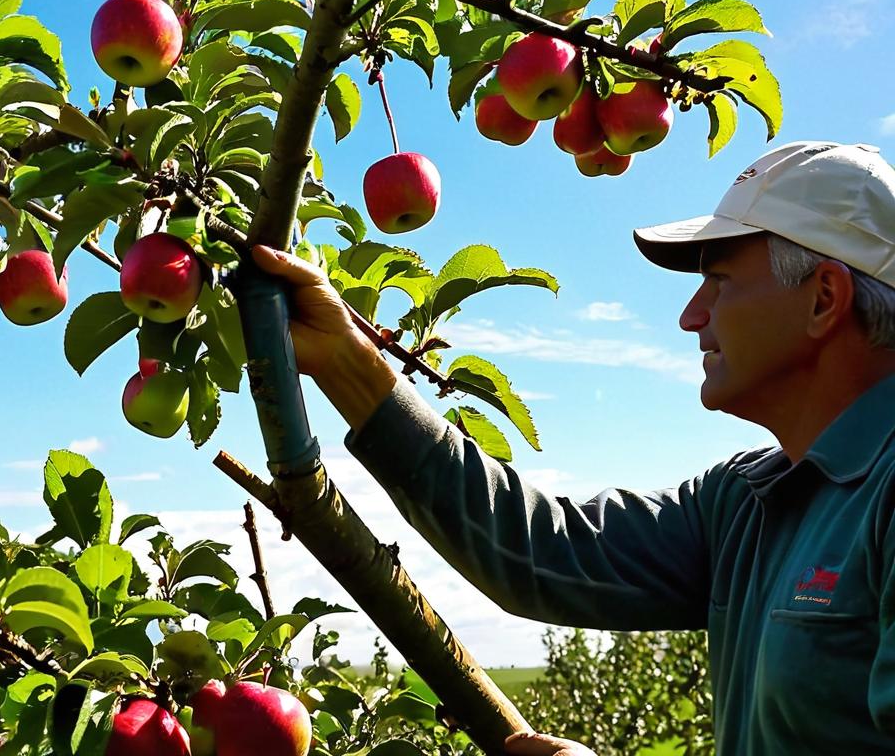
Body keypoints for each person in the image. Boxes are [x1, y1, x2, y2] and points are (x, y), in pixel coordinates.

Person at [252, 140, 895, 755]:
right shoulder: (748, 502)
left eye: (720, 281)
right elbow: (542, 549)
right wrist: (347, 362)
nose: (691, 316)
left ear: (824, 298)